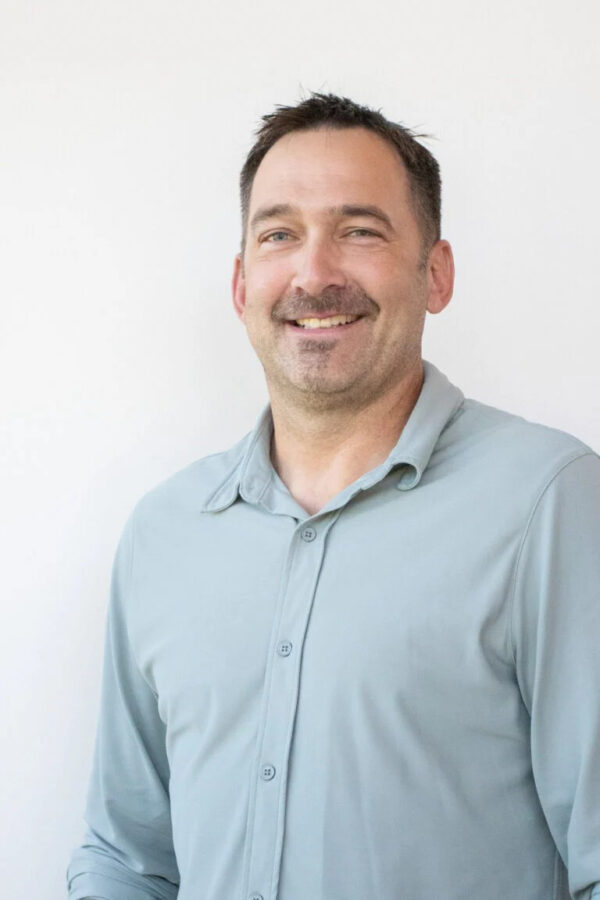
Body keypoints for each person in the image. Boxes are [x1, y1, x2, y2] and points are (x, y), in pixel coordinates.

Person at [66, 92, 600, 900]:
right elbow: (127, 857)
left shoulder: (550, 503)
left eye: (360, 231)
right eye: (280, 235)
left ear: (437, 273)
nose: (314, 274)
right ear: (243, 281)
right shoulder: (163, 533)